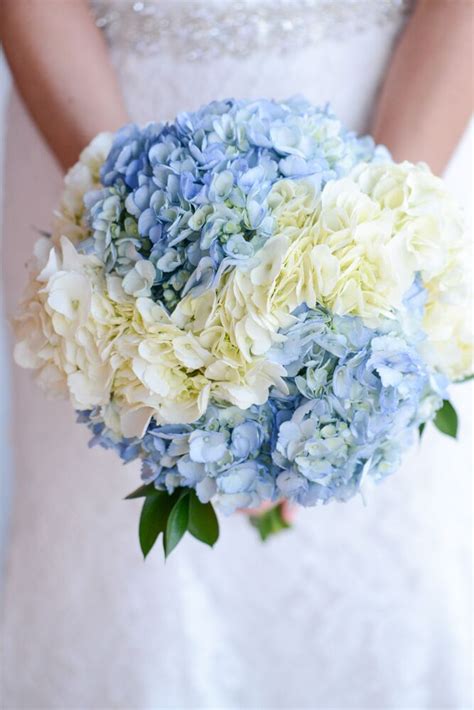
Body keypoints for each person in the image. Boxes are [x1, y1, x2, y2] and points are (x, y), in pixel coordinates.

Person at [0, 1, 472, 707]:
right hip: (94, 134)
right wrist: (121, 222)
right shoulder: (111, 207)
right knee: (124, 601)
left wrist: (380, 237)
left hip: (394, 123)